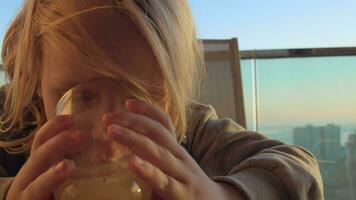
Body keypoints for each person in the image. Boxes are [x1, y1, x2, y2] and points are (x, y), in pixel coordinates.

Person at [0, 0, 323, 199]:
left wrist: (216, 196)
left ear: (170, 95)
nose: (107, 133)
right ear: (34, 77)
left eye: (139, 97)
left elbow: (300, 172)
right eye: (82, 97)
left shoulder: (189, 132)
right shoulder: (8, 122)